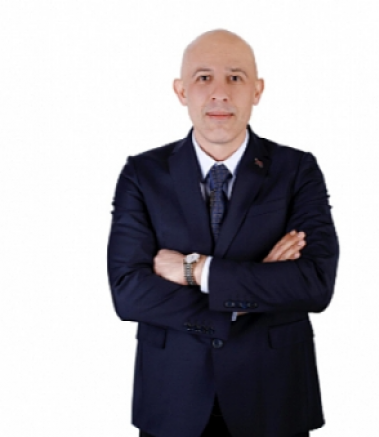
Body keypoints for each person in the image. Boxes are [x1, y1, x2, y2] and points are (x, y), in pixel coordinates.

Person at [107, 29, 340, 437]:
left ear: (257, 90)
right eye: (203, 78)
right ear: (181, 91)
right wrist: (247, 297)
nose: (219, 93)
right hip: (172, 400)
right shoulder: (142, 174)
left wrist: (195, 270)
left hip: (274, 397)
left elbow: (314, 283)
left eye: (235, 77)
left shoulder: (297, 170)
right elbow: (129, 292)